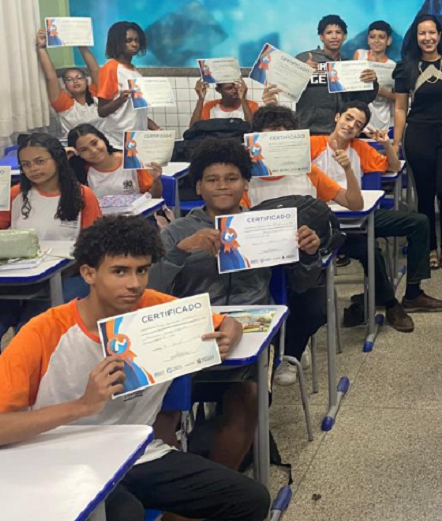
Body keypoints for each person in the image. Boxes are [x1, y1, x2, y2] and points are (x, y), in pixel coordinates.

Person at [0, 214, 270, 521]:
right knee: (126, 513)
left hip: (137, 455)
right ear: (88, 273)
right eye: (120, 271)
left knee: (250, 499)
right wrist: (82, 406)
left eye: (142, 270)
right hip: (62, 458)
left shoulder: (155, 310)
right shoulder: (44, 331)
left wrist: (228, 335)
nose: (135, 284)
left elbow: (229, 322)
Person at [150, 139, 322, 471]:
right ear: (198, 186)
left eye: (231, 178)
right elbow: (151, 290)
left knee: (249, 398)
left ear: (245, 184)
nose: (222, 186)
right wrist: (180, 251)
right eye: (212, 179)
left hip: (252, 330)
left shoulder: (266, 226)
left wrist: (309, 255)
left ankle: (217, 486)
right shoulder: (176, 232)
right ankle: (175, 481)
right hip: (192, 331)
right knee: (161, 405)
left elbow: (301, 285)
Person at [309, 101, 442, 333]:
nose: (351, 125)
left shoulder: (360, 148)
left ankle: (413, 293)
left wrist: (386, 144)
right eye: (348, 118)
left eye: (358, 124)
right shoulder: (313, 145)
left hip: (360, 214)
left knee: (420, 222)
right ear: (337, 117)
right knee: (369, 248)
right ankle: (391, 303)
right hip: (326, 222)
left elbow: (392, 167)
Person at [248, 104, 362, 383]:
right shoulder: (244, 177)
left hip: (303, 259)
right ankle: (271, 351)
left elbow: (354, 203)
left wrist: (348, 169)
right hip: (258, 263)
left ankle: (292, 352)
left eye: (284, 134)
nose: (278, 140)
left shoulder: (307, 172)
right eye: (271, 134)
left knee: (314, 310)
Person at [0, 134, 103, 337]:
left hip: (68, 275)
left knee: (30, 330)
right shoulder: (15, 194)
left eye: (40, 161)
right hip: (17, 279)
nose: (33, 169)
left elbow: (94, 246)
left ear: (57, 159)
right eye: (26, 165)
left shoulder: (82, 195)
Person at [393, 14, 442, 276]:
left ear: (439, 35)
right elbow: (400, 107)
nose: (427, 38)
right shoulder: (406, 67)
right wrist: (396, 142)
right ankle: (429, 249)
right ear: (416, 37)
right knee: (425, 196)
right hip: (418, 135)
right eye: (422, 33)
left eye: (432, 33)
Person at [293, 14, 378, 135]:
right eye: (329, 32)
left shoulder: (349, 66)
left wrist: (372, 82)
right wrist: (301, 71)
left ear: (344, 36)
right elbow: (286, 89)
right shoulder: (304, 58)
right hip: (307, 130)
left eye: (338, 32)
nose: (334, 36)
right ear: (321, 37)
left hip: (338, 133)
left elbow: (361, 100)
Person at [96, 21, 160, 146]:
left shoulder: (135, 71)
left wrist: (155, 128)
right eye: (128, 41)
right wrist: (120, 100)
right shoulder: (111, 68)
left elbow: (136, 112)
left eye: (137, 40)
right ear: (118, 42)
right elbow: (101, 111)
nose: (134, 44)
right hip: (118, 140)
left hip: (136, 139)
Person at [34, 27, 101, 135]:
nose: (75, 81)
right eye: (69, 79)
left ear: (86, 80)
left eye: (79, 77)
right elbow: (51, 76)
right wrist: (41, 48)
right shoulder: (64, 104)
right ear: (65, 85)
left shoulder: (97, 96)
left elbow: (95, 70)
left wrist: (83, 48)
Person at [68, 124, 162, 199]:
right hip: (101, 217)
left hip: (138, 216)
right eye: (84, 150)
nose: (93, 151)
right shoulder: (80, 171)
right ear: (77, 153)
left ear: (103, 139)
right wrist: (64, 157)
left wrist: (156, 180)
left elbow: (154, 198)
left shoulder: (132, 160)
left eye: (95, 143)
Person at [353, 20, 399, 133]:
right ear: (368, 39)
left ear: (388, 40)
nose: (376, 41)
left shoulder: (393, 66)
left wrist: (385, 93)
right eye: (372, 37)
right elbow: (350, 85)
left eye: (381, 37)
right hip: (360, 120)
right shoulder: (359, 55)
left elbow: (400, 98)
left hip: (382, 122)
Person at [190, 80, 257, 126]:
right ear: (218, 90)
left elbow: (254, 130)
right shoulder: (210, 106)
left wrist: (243, 99)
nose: (234, 91)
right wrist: (201, 99)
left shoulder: (250, 105)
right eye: (229, 88)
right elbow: (193, 130)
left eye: (236, 87)